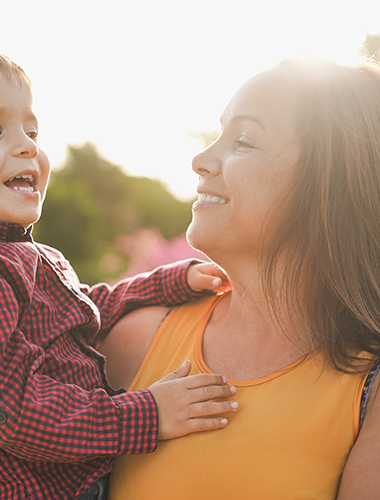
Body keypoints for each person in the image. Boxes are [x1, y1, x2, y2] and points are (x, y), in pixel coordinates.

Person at [0, 47, 238, 500]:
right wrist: (144, 415)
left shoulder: (14, 254)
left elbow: (76, 313)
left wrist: (164, 283)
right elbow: (13, 413)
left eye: (32, 130)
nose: (29, 145)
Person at [100, 57, 380, 499]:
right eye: (219, 134)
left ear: (329, 182)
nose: (201, 159)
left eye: (244, 141)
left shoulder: (370, 387)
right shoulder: (130, 340)